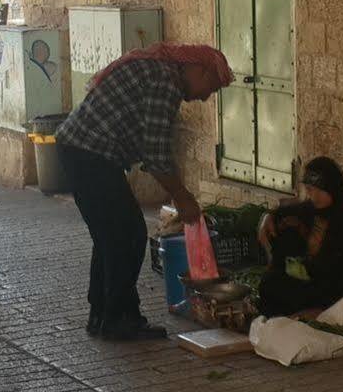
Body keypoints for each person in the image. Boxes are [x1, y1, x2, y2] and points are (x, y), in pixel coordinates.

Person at [55, 43, 233, 341]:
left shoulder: (159, 73)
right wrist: (182, 197)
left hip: (80, 150)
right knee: (130, 235)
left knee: (110, 237)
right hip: (90, 155)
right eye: (210, 87)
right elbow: (155, 152)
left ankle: (103, 314)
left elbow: (153, 147)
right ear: (197, 70)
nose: (205, 97)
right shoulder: (165, 81)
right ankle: (119, 319)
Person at [255, 156, 343, 315]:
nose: (312, 196)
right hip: (320, 280)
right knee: (270, 283)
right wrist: (268, 216)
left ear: (330, 187)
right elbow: (290, 211)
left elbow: (342, 269)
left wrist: (307, 270)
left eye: (317, 190)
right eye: (309, 190)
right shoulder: (319, 207)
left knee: (282, 291)